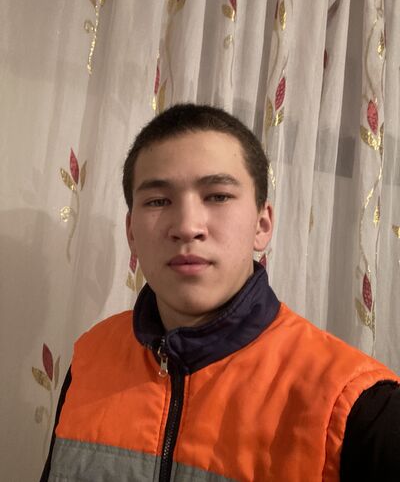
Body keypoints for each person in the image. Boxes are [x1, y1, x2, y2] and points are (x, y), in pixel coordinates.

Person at [41, 104, 399, 481]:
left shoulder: (358, 405)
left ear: (262, 225)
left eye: (217, 196)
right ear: (131, 233)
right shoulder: (91, 357)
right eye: (158, 201)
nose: (187, 226)